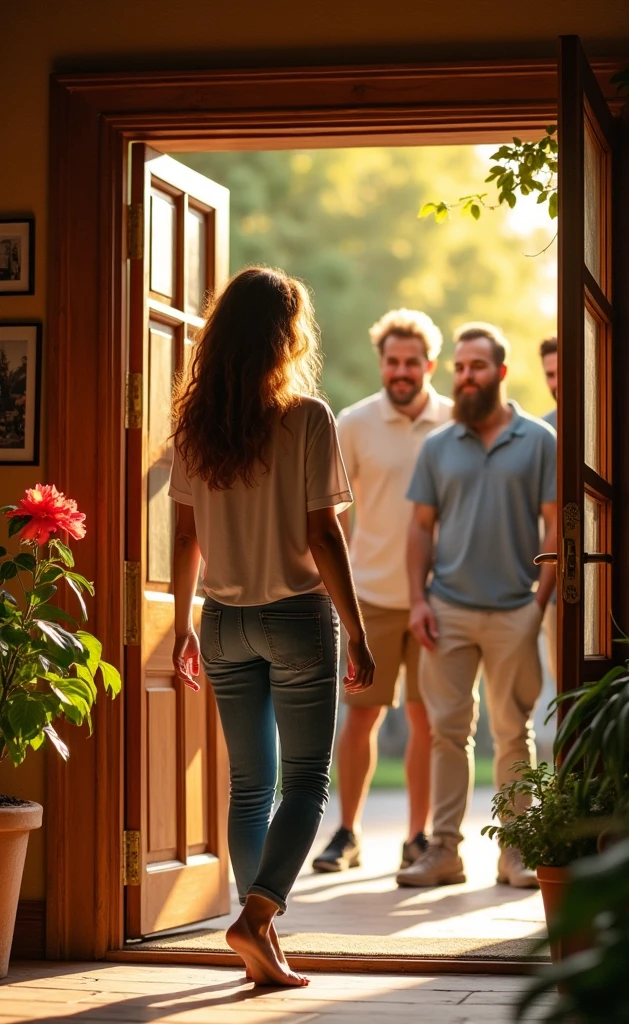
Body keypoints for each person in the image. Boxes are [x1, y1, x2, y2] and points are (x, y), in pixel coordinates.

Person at [168, 267, 375, 987]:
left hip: (223, 620)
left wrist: (183, 623)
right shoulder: (308, 417)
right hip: (295, 618)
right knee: (307, 781)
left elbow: (186, 538)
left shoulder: (194, 426)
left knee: (250, 788)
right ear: (287, 336)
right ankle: (256, 920)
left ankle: (261, 942)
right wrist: (358, 627)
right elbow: (325, 536)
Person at [397, 322, 557, 889]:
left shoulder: (540, 440)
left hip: (516, 608)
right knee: (447, 730)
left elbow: (556, 527)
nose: (466, 378)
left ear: (501, 373)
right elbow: (419, 529)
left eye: (477, 367)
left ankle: (516, 851)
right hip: (448, 610)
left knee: (514, 733)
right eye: (460, 368)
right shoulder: (438, 446)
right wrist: (418, 600)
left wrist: (538, 604)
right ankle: (444, 851)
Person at [312, 309, 453, 874]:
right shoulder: (354, 421)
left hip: (439, 597)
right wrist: (334, 594)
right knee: (362, 718)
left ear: (429, 365)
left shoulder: (454, 422)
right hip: (369, 595)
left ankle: (418, 838)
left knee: (425, 720)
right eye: (392, 361)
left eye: (411, 362)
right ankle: (347, 833)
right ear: (381, 362)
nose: (401, 371)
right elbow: (331, 516)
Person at [539, 336, 558, 683]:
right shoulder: (542, 432)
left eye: (561, 371)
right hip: (558, 590)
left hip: (615, 577)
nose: (556, 383)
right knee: (566, 688)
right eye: (550, 374)